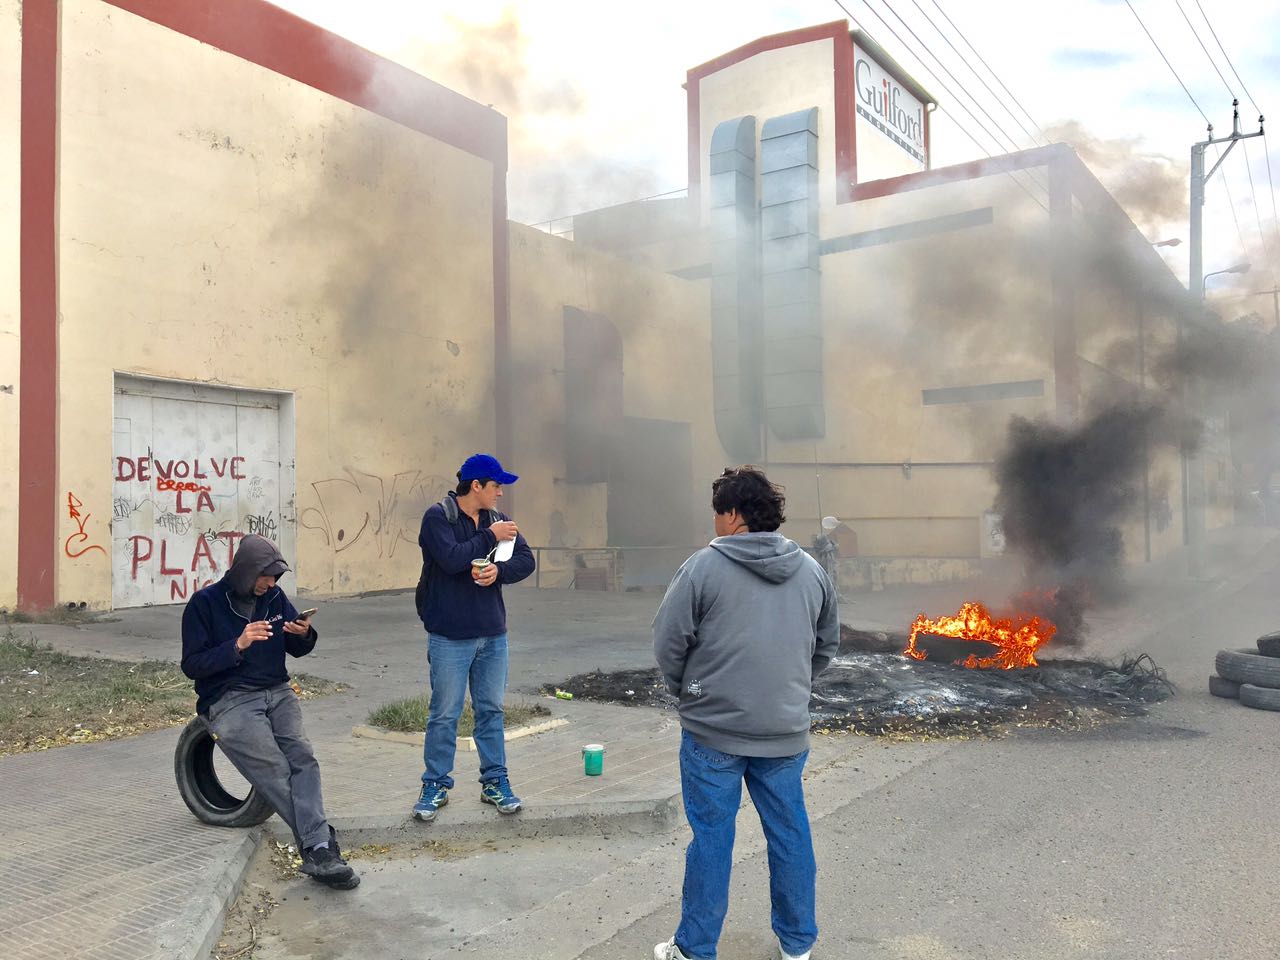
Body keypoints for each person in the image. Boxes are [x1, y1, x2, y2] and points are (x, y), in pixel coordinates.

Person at [651, 466, 839, 960]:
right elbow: (825, 646)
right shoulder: (812, 571)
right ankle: (798, 946)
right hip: (784, 730)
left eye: (717, 511)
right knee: (790, 833)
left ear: (733, 515)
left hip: (713, 733)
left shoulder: (702, 569)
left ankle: (695, 949)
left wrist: (687, 691)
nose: (713, 521)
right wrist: (787, 690)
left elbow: (669, 642)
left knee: (712, 838)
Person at [180, 534, 357, 889]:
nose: (272, 584)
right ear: (246, 571)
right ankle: (321, 845)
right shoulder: (205, 604)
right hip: (230, 699)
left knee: (303, 758)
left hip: (277, 691)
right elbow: (192, 665)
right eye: (266, 577)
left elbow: (297, 648)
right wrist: (238, 645)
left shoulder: (274, 597)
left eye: (276, 577)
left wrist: (303, 633)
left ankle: (318, 847)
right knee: (275, 767)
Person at [413, 453, 536, 821]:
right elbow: (451, 559)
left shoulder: (498, 520)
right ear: (476, 485)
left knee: (491, 711)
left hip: (492, 635)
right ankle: (435, 784)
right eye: (496, 485)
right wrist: (489, 537)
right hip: (450, 636)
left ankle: (495, 782)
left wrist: (497, 571)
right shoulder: (439, 517)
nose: (501, 493)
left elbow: (526, 560)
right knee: (444, 714)